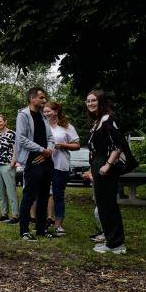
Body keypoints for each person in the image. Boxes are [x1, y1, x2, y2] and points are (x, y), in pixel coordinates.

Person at [85, 90, 127, 254]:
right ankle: (111, 240)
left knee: (108, 205)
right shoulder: (97, 121)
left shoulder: (108, 119)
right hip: (98, 165)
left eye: (93, 100)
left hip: (105, 166)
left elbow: (118, 145)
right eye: (88, 101)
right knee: (102, 205)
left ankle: (117, 243)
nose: (90, 104)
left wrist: (108, 165)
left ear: (101, 101)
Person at [15, 87, 56, 241]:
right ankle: (24, 230)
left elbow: (51, 137)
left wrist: (49, 151)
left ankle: (41, 229)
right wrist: (42, 150)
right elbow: (22, 139)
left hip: (46, 160)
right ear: (32, 99)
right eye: (41, 97)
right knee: (29, 196)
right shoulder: (23, 115)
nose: (44, 100)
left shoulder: (43, 116)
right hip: (33, 160)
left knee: (44, 196)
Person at [44, 101, 79, 236]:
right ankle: (43, 223)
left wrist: (62, 145)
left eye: (48, 111)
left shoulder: (66, 127)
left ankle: (58, 226)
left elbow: (77, 145)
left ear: (56, 111)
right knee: (43, 195)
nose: (46, 114)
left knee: (58, 196)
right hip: (44, 165)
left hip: (60, 165)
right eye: (45, 111)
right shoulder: (43, 126)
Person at [0, 115, 18, 222]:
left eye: (0, 121)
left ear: (5, 122)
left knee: (11, 191)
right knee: (1, 191)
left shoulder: (12, 134)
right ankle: (4, 214)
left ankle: (16, 215)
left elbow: (16, 148)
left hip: (7, 165)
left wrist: (12, 162)